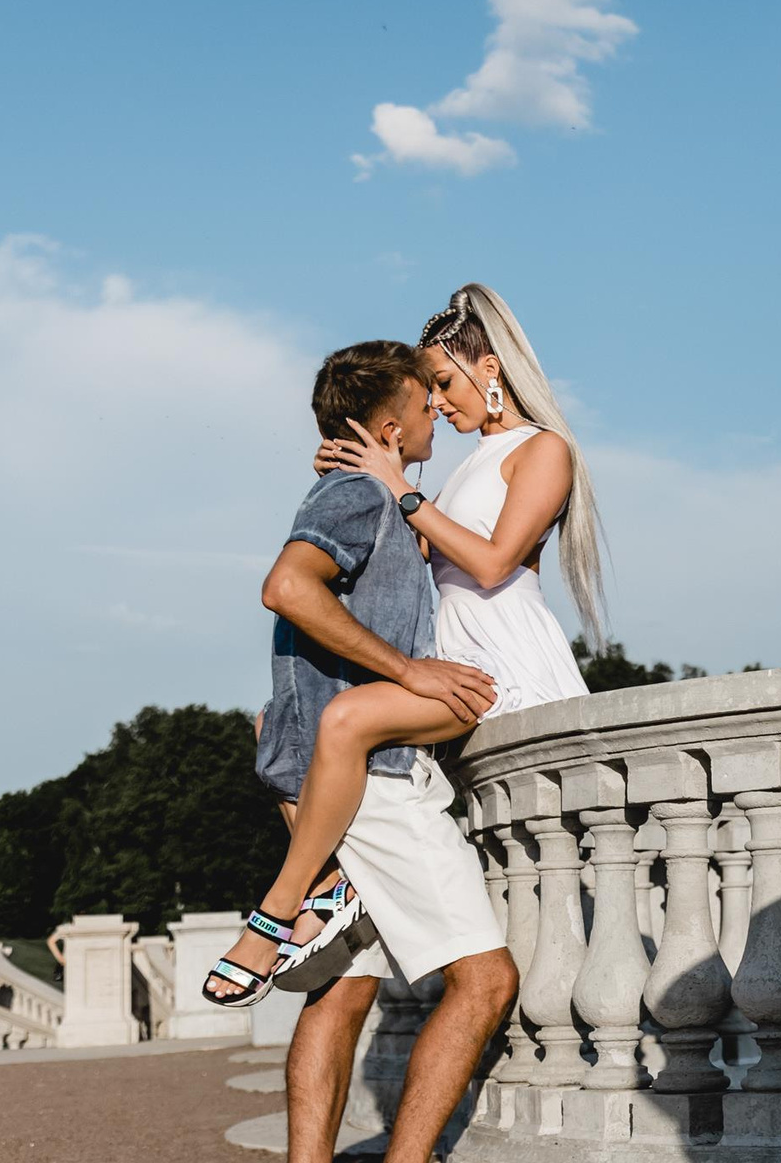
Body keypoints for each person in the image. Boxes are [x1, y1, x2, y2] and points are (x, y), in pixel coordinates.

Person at [204, 284, 602, 1004]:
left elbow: (490, 561)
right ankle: (335, 883)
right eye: (429, 394)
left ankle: (281, 909)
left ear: (491, 368)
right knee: (280, 725)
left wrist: (404, 492)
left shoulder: (545, 449)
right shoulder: (456, 471)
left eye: (444, 384)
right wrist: (362, 485)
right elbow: (402, 562)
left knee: (347, 720)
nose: (439, 405)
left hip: (499, 660)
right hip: (451, 656)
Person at [244, 339, 521, 1163]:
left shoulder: (364, 493)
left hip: (321, 771)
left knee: (345, 985)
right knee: (484, 980)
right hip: (369, 778)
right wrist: (411, 671)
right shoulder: (357, 494)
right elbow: (286, 587)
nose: (438, 412)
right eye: (425, 398)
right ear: (391, 418)